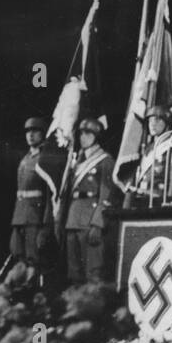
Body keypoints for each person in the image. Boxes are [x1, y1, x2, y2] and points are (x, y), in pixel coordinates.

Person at [57, 117, 118, 285]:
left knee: (93, 271)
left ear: (96, 136)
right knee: (74, 272)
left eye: (88, 133)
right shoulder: (77, 162)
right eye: (81, 133)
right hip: (73, 220)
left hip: (90, 220)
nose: (82, 137)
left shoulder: (105, 161)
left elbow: (106, 197)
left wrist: (98, 224)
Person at [10, 116, 59, 268]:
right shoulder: (25, 159)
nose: (30, 135)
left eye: (35, 131)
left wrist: (46, 226)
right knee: (18, 256)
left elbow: (50, 195)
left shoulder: (45, 160)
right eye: (28, 131)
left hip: (35, 218)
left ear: (42, 134)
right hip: (20, 218)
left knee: (34, 260)